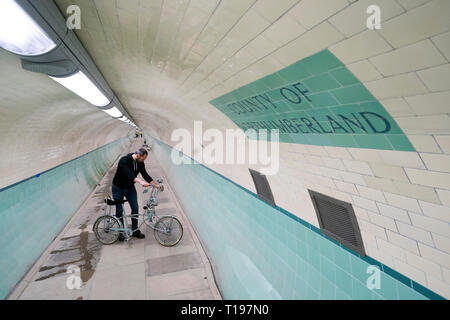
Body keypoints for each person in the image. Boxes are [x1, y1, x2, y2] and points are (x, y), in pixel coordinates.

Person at [111, 148, 159, 240]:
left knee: (135, 208)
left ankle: (135, 230)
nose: (143, 161)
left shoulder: (140, 163)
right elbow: (129, 175)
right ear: (137, 155)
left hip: (129, 188)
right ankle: (121, 232)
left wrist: (155, 184)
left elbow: (145, 174)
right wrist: (140, 182)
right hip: (118, 188)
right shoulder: (124, 160)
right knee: (119, 210)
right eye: (142, 159)